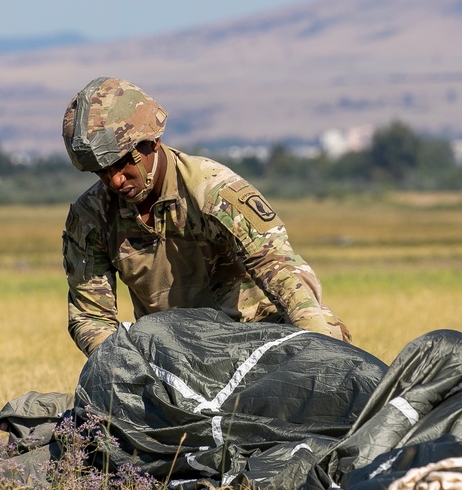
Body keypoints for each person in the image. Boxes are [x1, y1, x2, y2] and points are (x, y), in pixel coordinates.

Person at [61, 77, 351, 358]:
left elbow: (279, 267)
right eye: (101, 171)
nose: (115, 180)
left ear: (152, 142)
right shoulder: (92, 218)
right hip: (175, 352)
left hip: (255, 335)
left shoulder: (214, 190)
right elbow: (90, 318)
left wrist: (319, 351)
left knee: (329, 334)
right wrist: (121, 366)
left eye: (123, 163)